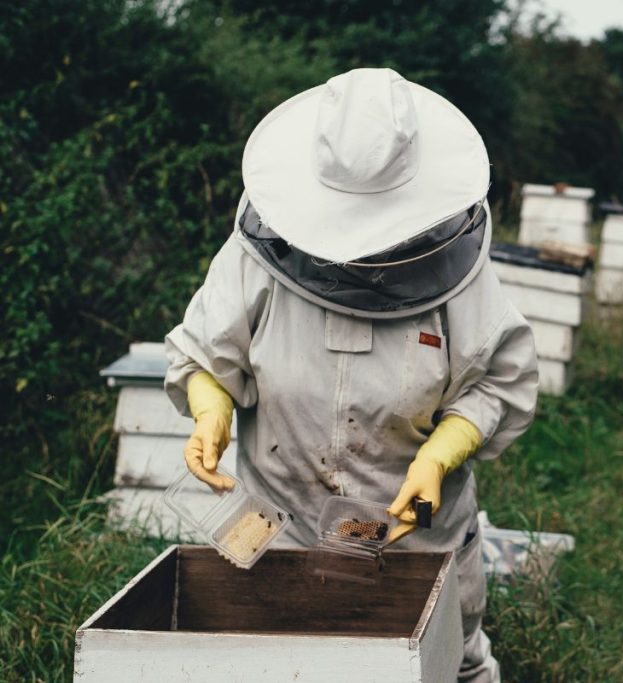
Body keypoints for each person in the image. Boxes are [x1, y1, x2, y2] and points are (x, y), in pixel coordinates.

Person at [164, 67, 538, 682]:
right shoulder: (254, 262)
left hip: (414, 538)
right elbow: (205, 353)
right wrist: (212, 410)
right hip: (274, 528)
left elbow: (495, 381)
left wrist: (439, 456)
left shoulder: (460, 279)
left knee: (445, 666)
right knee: (275, 664)